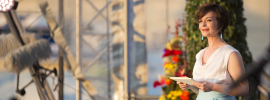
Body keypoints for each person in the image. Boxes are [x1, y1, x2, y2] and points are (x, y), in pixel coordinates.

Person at [176, 3, 249, 100]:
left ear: (221, 25)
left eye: (209, 20)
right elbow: (204, 93)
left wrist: (213, 86)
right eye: (200, 21)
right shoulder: (200, 54)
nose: (203, 24)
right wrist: (190, 85)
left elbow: (244, 89)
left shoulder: (230, 54)